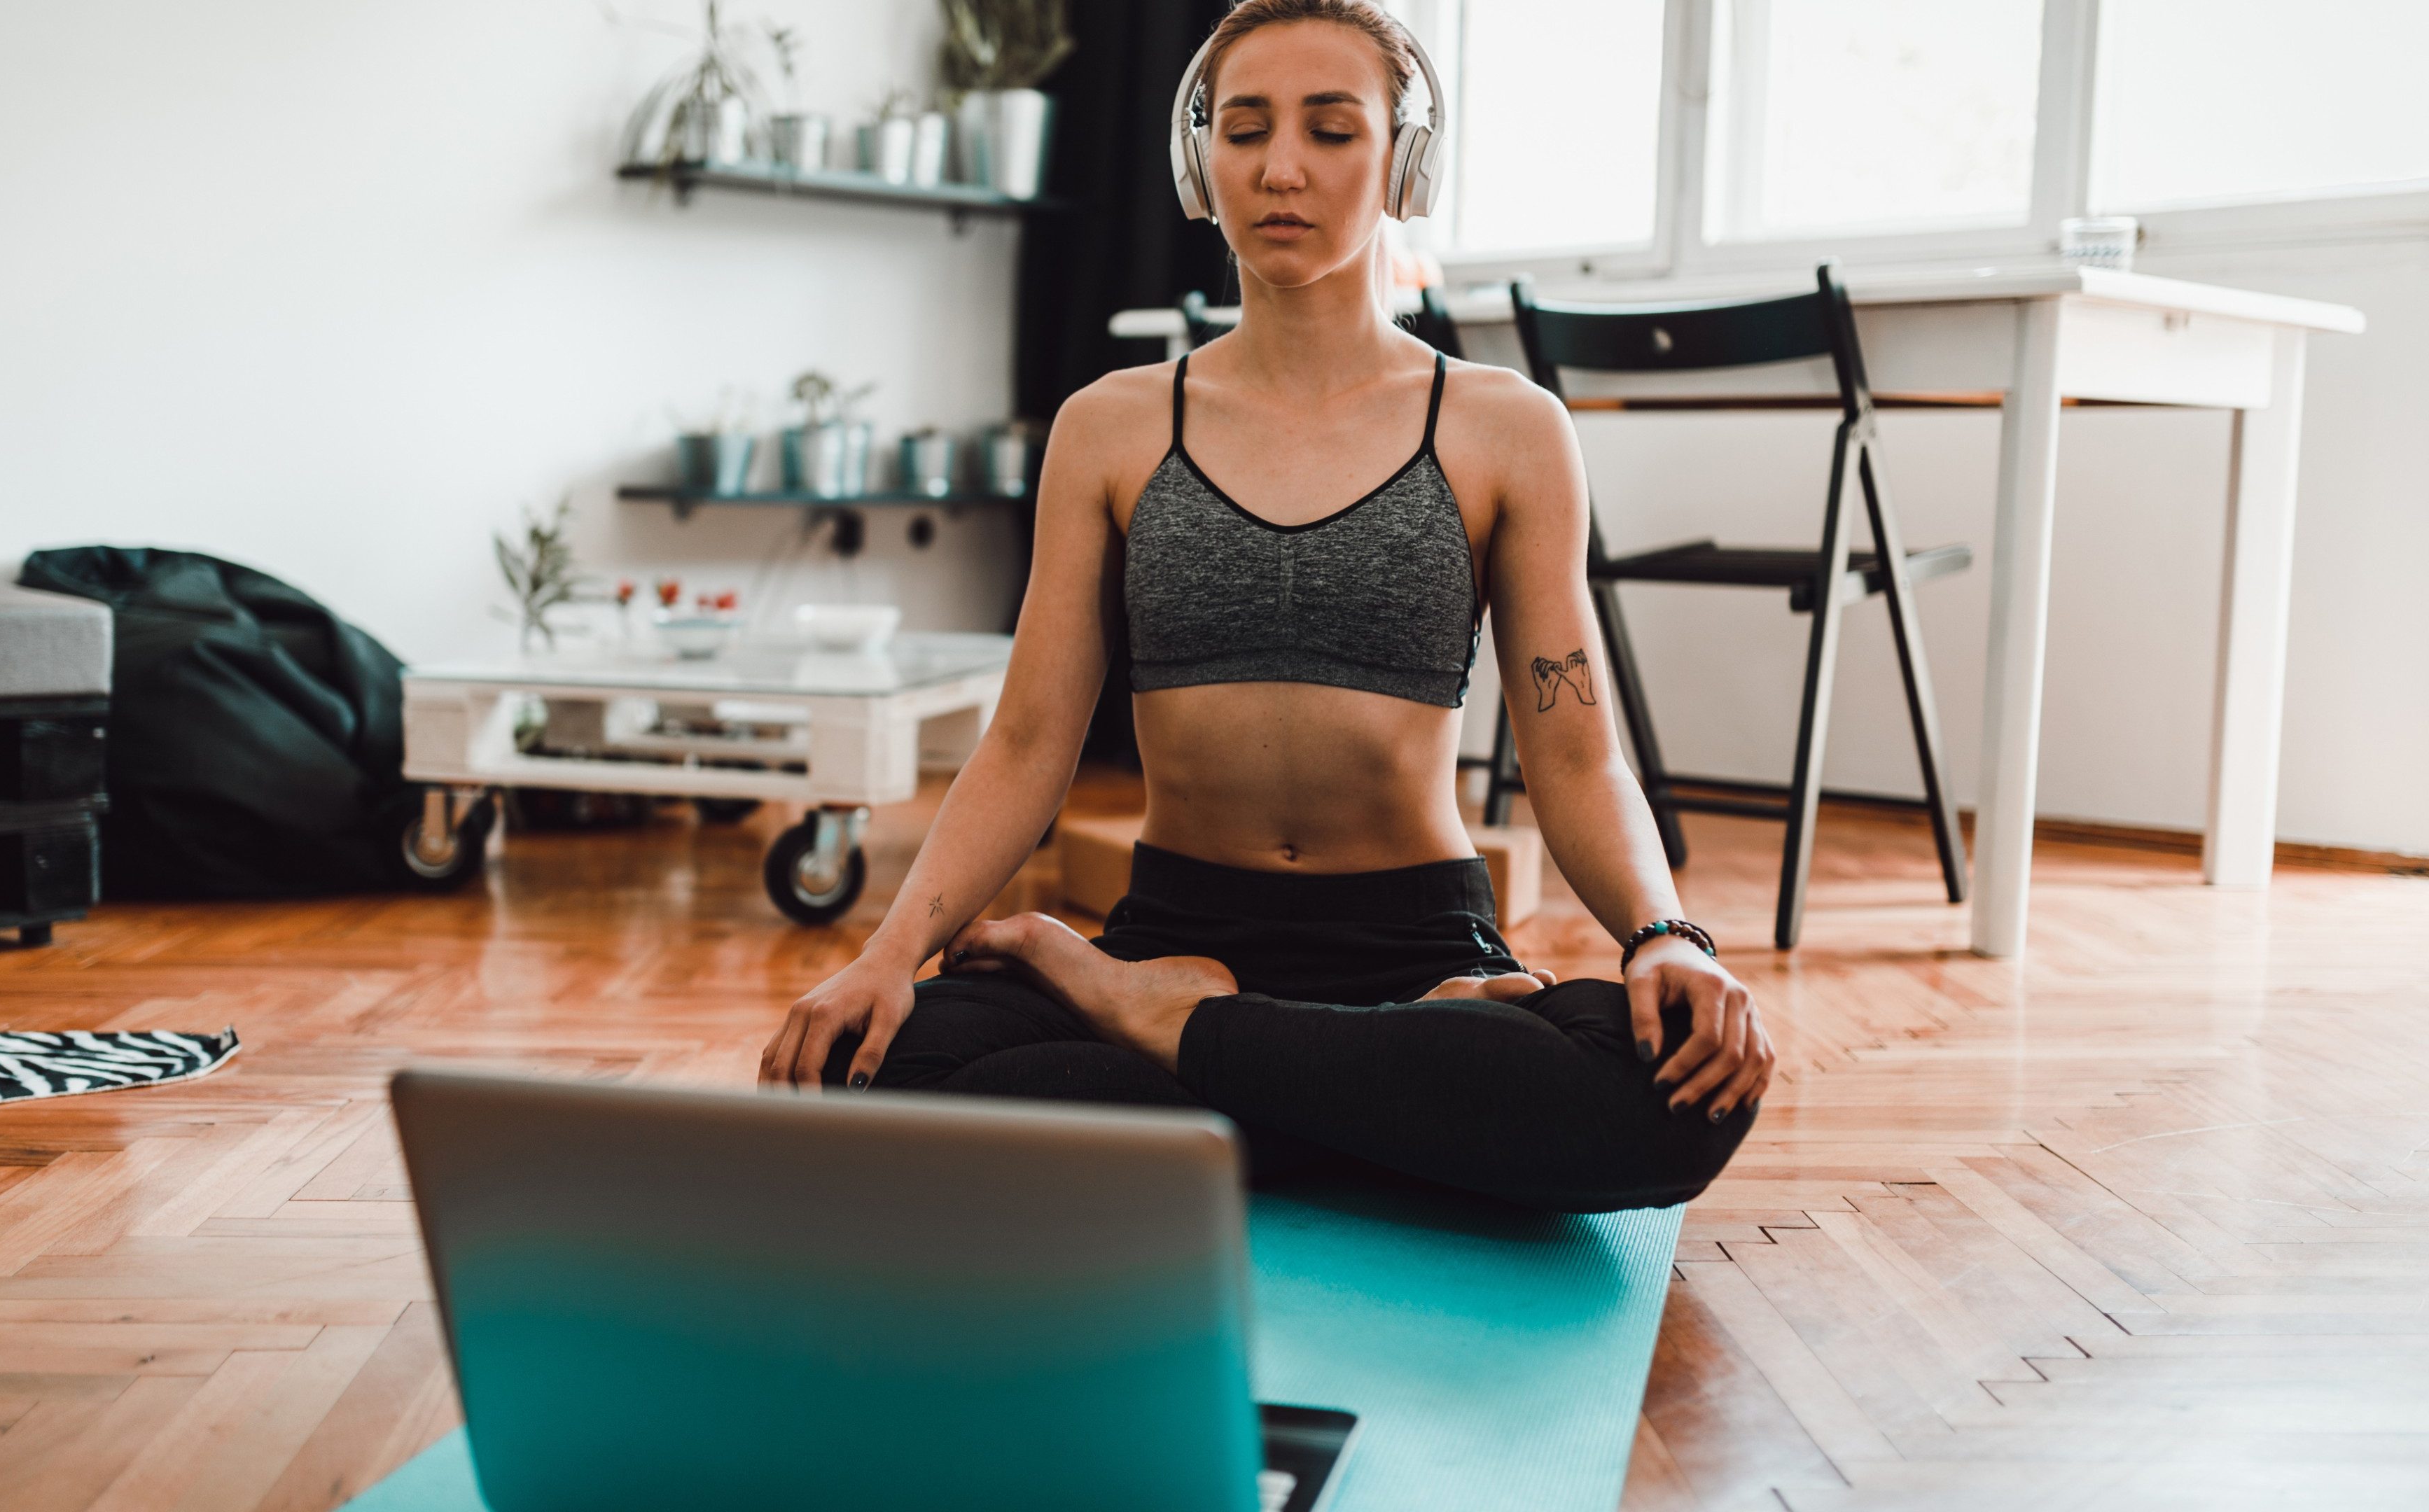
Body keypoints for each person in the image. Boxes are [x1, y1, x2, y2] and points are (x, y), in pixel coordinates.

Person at [758, 0, 1769, 1213]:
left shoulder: (1508, 429)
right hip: (1180, 914)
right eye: (1245, 130)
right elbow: (1029, 743)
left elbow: (1575, 747)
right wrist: (883, 959)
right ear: (1201, 161)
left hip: (1417, 946)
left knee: (1677, 1096)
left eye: (1332, 130)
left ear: (1404, 159)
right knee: (873, 1068)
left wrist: (1667, 937)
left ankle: (1161, 1035)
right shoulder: (1111, 426)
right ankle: (1357, 1096)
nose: (1282, 168)